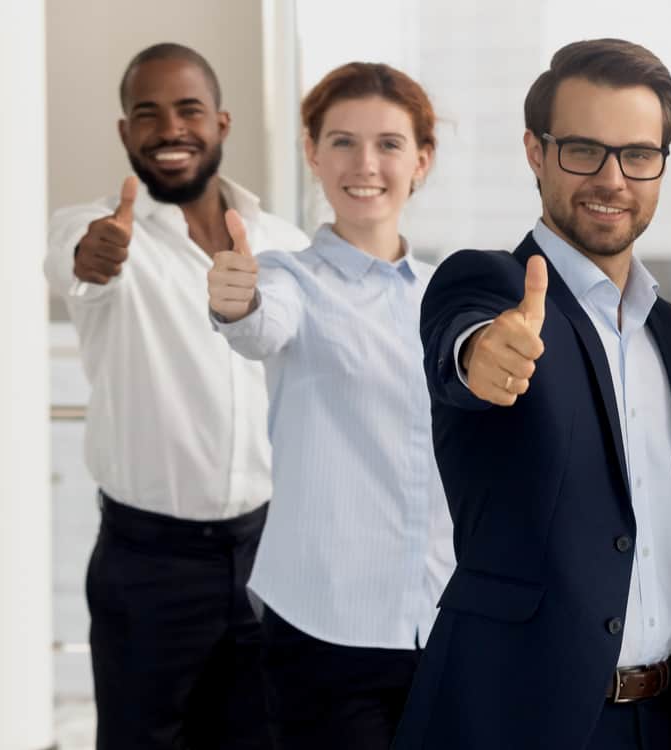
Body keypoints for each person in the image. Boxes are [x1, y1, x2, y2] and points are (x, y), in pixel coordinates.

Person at [392, 39, 671, 750]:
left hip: (666, 717)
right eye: (582, 150)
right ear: (536, 152)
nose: (612, 178)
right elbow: (463, 342)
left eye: (638, 154)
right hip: (521, 717)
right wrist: (482, 357)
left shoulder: (665, 326)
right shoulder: (491, 284)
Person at [43, 42, 309, 750]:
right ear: (125, 133)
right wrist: (91, 255)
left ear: (221, 123)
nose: (169, 130)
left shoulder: (284, 244)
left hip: (268, 555)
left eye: (188, 109)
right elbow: (73, 261)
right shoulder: (96, 231)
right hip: (147, 565)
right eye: (147, 113)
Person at [206, 62, 454, 748]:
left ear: (422, 160)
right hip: (325, 631)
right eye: (342, 141)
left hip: (444, 624)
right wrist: (235, 300)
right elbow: (259, 323)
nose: (365, 163)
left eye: (390, 144)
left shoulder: (447, 296)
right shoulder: (289, 278)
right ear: (312, 153)